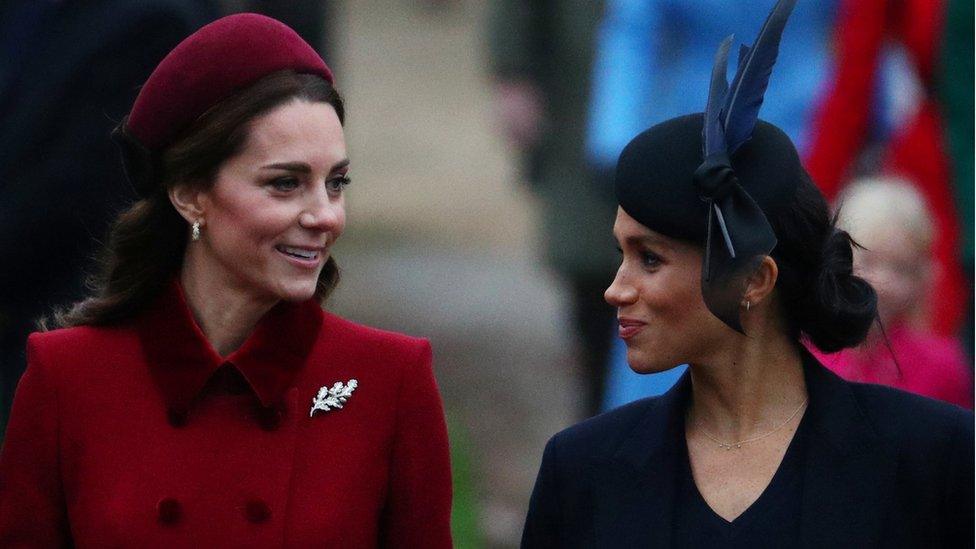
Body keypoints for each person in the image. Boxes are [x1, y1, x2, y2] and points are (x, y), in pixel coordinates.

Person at [521, 1, 973, 546]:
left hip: (804, 135)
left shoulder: (932, 454)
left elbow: (862, 42)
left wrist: (865, 126)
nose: (614, 290)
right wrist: (617, 144)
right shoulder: (582, 472)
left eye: (650, 259)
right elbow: (633, 31)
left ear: (757, 279)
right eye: (623, 255)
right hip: (685, 126)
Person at [0, 14, 452, 546]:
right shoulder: (67, 378)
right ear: (190, 193)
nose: (325, 216)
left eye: (336, 183)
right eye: (285, 184)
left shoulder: (388, 380)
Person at [487, 0, 618, 418]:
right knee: (592, 259)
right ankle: (600, 409)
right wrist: (513, 71)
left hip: (681, 66)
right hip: (581, 88)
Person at [813, 176, 972, 408]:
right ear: (837, 261)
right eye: (868, 262)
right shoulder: (806, 352)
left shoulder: (942, 367)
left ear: (921, 276)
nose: (883, 284)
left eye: (901, 268)